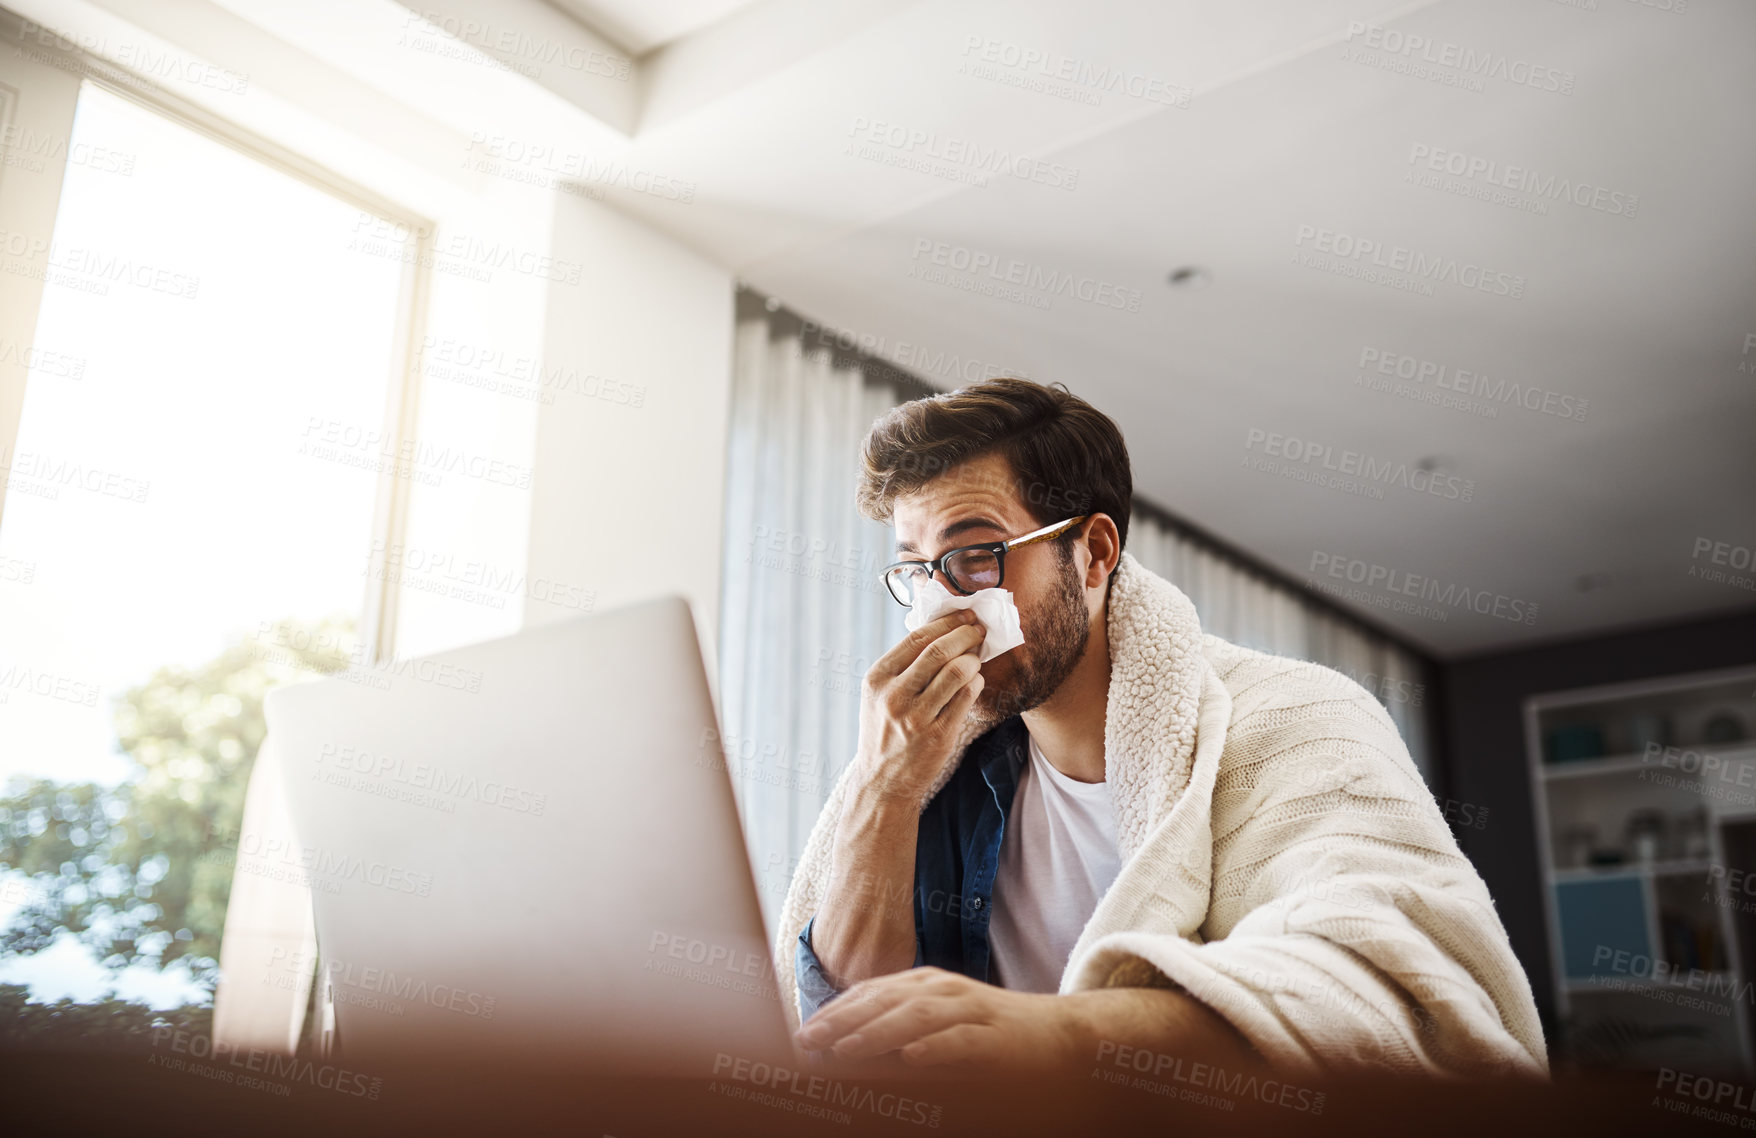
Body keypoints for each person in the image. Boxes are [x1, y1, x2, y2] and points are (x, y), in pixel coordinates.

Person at [774, 377, 1546, 1079]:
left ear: (1095, 553)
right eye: (919, 569)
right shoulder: (936, 766)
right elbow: (845, 1022)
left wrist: (1063, 1036)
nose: (941, 606)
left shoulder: (1299, 721)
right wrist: (886, 789)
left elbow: (1384, 978)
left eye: (977, 555)